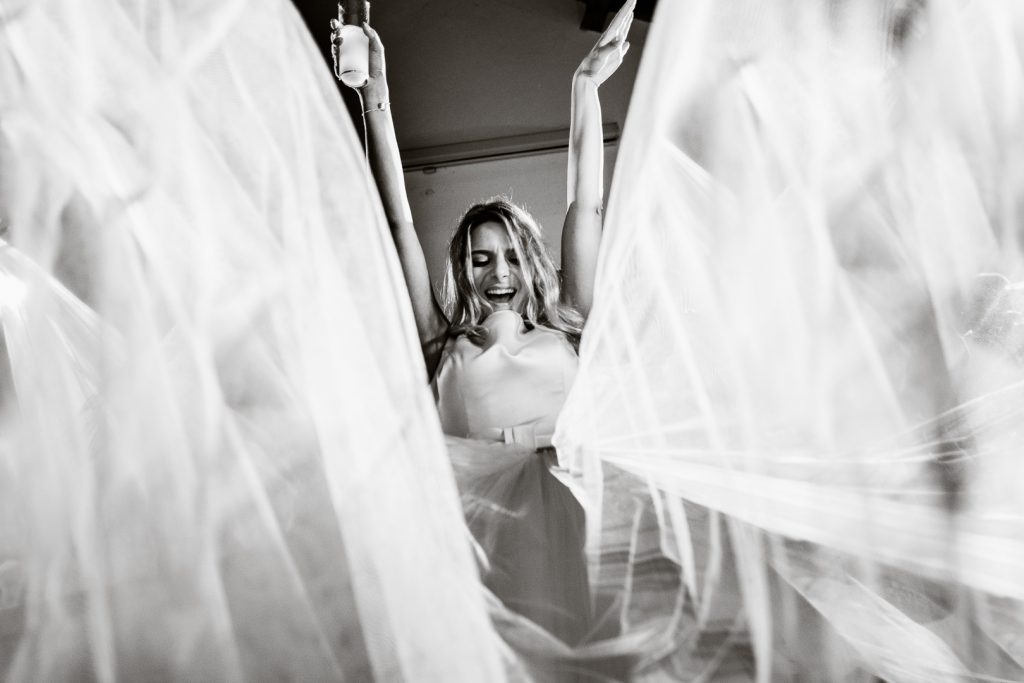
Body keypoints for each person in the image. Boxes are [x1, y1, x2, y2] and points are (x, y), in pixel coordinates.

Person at [330, 1, 635, 650]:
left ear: (531, 263)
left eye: (510, 255)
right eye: (480, 257)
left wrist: (585, 86)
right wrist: (375, 98)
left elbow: (588, 203)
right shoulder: (443, 348)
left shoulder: (570, 326)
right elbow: (398, 226)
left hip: (581, 519)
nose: (498, 272)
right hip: (482, 535)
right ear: (463, 268)